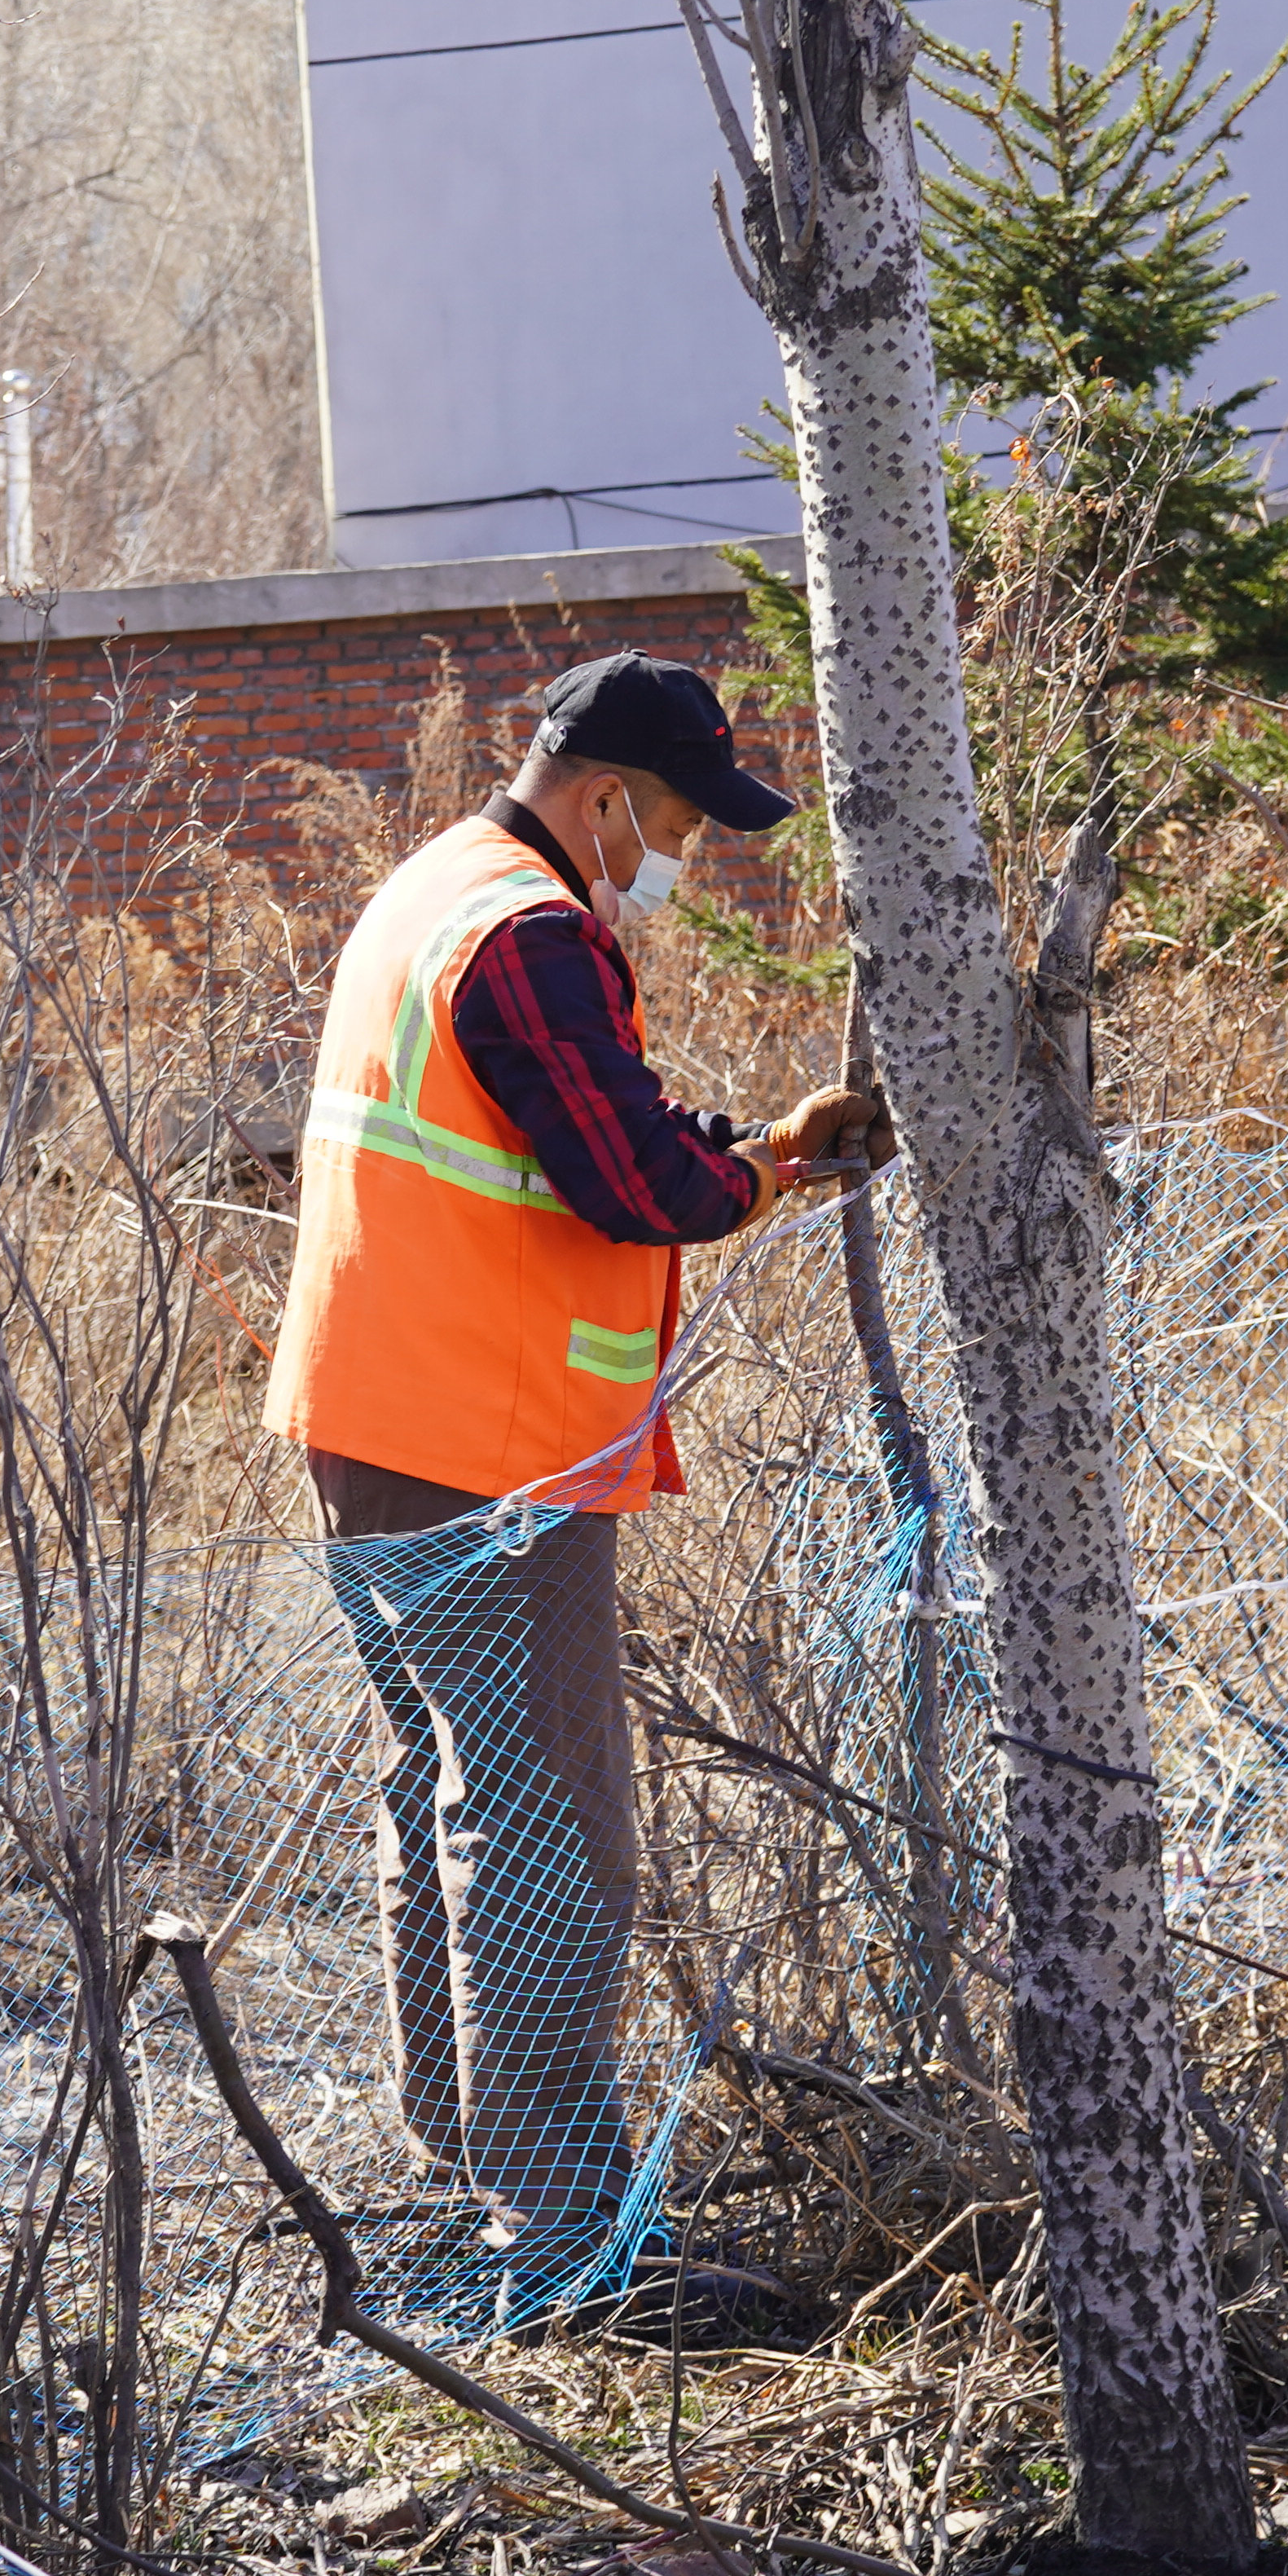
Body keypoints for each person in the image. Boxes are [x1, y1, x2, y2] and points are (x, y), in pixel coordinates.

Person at [264, 652, 886, 2282]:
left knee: (450, 1790)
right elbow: (632, 1180)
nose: (681, 855)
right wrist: (763, 1167)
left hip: (374, 1420)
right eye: (677, 818)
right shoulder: (531, 934)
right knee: (551, 1823)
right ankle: (563, 2235)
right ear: (607, 797)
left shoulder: (437, 893)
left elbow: (583, 1132)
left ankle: (472, 2145)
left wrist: (749, 1158)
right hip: (479, 1445)